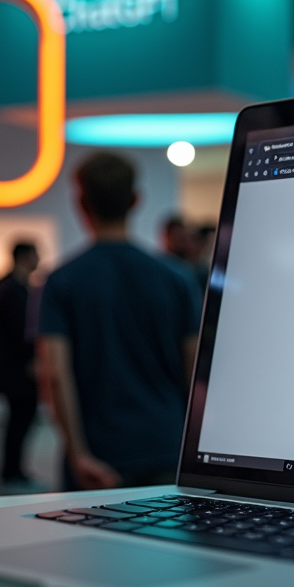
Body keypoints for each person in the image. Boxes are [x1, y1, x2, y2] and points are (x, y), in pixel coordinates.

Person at [39, 152, 202, 490]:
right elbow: (194, 369)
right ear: (135, 200)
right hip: (166, 444)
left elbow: (55, 373)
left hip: (99, 451)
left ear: (81, 203)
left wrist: (77, 453)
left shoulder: (62, 281)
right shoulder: (176, 277)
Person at [0, 242, 42, 490]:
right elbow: (18, 332)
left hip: (17, 368)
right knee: (19, 418)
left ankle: (14, 469)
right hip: (18, 370)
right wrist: (30, 360)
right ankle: (11, 470)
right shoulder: (11, 289)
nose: (39, 259)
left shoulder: (14, 287)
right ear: (24, 257)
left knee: (19, 419)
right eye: (36, 254)